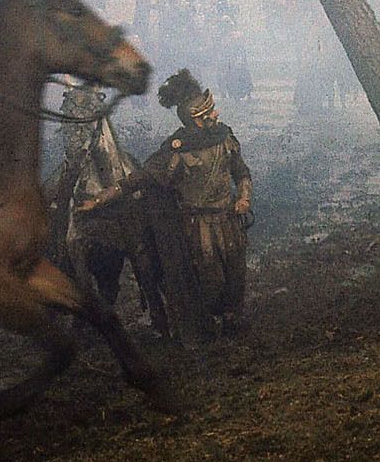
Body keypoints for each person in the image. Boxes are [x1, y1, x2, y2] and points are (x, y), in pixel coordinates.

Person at [78, 69, 252, 336]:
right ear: (197, 119)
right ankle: (210, 322)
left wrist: (244, 198)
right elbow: (139, 179)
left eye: (213, 110)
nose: (216, 115)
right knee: (210, 278)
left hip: (229, 220)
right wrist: (101, 199)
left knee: (236, 273)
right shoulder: (176, 151)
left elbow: (241, 173)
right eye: (209, 113)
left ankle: (233, 318)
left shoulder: (225, 137)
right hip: (198, 227)